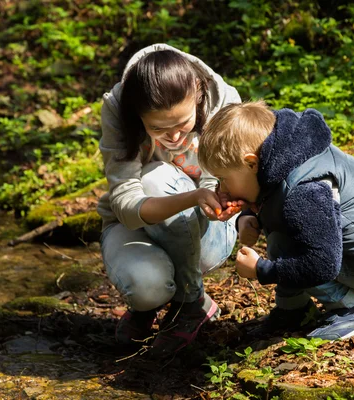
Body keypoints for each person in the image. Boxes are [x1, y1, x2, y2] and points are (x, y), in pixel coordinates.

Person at [198, 101, 354, 340]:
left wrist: (262, 270)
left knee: (283, 245)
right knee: (283, 239)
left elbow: (321, 263)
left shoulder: (306, 190)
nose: (222, 188)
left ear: (251, 162)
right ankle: (294, 310)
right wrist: (250, 216)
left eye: (224, 179)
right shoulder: (284, 155)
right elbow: (273, 195)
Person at [96, 43, 242, 358]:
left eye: (182, 124)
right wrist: (192, 195)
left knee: (157, 180)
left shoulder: (224, 101)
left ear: (199, 96)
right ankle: (153, 304)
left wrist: (216, 198)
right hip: (139, 224)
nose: (174, 138)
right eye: (158, 128)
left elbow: (223, 175)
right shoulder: (117, 109)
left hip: (207, 234)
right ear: (137, 116)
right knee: (146, 287)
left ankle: (191, 303)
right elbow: (125, 202)